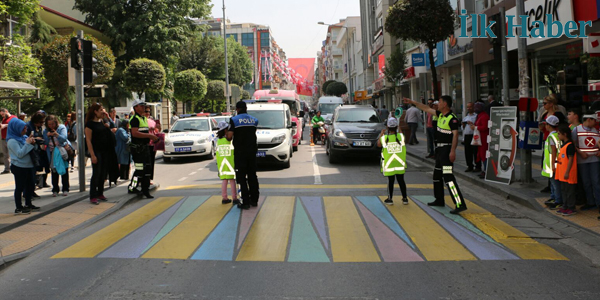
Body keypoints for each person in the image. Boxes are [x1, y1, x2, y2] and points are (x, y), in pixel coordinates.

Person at [403, 96, 467, 214]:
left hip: (446, 151)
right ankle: (439, 199)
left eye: (441, 102)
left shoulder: (452, 118)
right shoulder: (440, 115)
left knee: (448, 177)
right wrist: (413, 102)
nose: (438, 104)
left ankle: (459, 203)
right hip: (439, 151)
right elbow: (426, 108)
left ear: (446, 104)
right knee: (437, 176)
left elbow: (455, 135)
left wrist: (452, 151)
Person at [227, 101, 259, 210]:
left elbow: (229, 137)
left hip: (240, 152)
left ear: (237, 109)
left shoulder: (234, 120)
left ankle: (245, 202)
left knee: (241, 177)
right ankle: (254, 200)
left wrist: (227, 133)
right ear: (246, 108)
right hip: (252, 151)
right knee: (252, 176)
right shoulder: (254, 120)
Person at [7, 118, 39, 214]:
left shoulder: (23, 137)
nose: (25, 131)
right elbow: (20, 154)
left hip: (28, 166)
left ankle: (28, 204)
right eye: (23, 129)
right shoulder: (12, 141)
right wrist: (28, 144)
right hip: (19, 167)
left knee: (30, 186)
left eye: (26, 128)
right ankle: (19, 207)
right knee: (20, 187)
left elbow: (29, 149)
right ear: (16, 129)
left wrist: (33, 143)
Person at [128, 100, 158, 198]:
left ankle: (146, 190)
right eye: (141, 106)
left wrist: (150, 132)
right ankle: (132, 187)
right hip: (137, 149)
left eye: (144, 106)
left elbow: (143, 130)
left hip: (145, 148)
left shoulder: (143, 119)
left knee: (148, 169)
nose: (143, 107)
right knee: (140, 170)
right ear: (136, 107)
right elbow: (135, 133)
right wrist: (150, 136)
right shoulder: (134, 119)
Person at [377, 115, 408, 205]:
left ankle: (390, 199)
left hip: (389, 165)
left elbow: (378, 145)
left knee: (390, 182)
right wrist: (399, 128)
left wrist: (381, 134)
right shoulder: (400, 137)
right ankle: (405, 198)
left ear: (387, 127)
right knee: (401, 181)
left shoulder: (384, 138)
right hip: (399, 165)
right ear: (396, 127)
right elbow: (401, 135)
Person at [85, 103, 112, 204]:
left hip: (105, 151)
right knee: (96, 173)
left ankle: (100, 193)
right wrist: (92, 155)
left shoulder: (102, 122)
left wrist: (108, 119)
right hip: (96, 151)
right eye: (100, 110)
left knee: (103, 173)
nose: (103, 112)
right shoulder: (89, 124)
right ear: (95, 111)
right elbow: (88, 140)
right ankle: (93, 195)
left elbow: (112, 128)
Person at [572, 114, 600, 211]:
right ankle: (590, 202)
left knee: (596, 182)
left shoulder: (597, 130)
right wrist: (580, 152)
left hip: (595, 160)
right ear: (589, 119)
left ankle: (598, 203)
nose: (595, 123)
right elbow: (572, 144)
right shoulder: (576, 130)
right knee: (586, 182)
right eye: (594, 121)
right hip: (582, 161)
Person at [539, 95, 566, 194]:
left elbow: (562, 126)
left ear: (551, 104)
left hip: (555, 140)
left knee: (554, 161)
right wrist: (541, 128)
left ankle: (555, 189)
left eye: (545, 103)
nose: (543, 105)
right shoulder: (544, 113)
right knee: (546, 162)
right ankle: (551, 185)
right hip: (546, 138)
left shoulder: (558, 114)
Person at [44, 115, 71, 197]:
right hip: (52, 153)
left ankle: (65, 188)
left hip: (62, 152)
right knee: (54, 171)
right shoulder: (45, 130)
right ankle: (55, 189)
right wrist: (47, 136)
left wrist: (57, 135)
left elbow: (64, 138)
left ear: (56, 122)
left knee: (64, 170)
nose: (51, 126)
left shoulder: (61, 128)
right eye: (49, 124)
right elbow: (45, 142)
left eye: (53, 124)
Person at [555, 124, 578, 216]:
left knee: (570, 192)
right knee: (564, 191)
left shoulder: (570, 146)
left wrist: (567, 172)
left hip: (568, 173)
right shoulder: (564, 145)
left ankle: (571, 207)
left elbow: (571, 159)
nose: (558, 135)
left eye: (559, 134)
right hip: (563, 173)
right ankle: (565, 206)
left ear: (565, 134)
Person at [542, 116, 562, 210]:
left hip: (552, 163)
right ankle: (554, 197)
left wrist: (553, 164)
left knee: (555, 183)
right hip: (556, 162)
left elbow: (553, 151)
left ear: (548, 125)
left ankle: (557, 200)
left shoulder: (551, 137)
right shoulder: (557, 135)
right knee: (553, 182)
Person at [216, 121, 238, 205]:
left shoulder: (218, 140)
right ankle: (234, 198)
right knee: (232, 180)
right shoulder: (229, 139)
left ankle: (224, 198)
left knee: (224, 180)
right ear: (225, 130)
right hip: (230, 163)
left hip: (222, 164)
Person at [27, 112, 50, 190]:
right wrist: (36, 139)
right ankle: (31, 189)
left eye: (43, 122)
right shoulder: (29, 126)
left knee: (42, 167)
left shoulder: (39, 127)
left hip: (39, 150)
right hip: (32, 151)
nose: (41, 124)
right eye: (40, 122)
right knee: (32, 171)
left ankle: (41, 182)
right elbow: (27, 138)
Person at [471, 102, 489, 179]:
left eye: (477, 107)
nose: (475, 109)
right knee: (481, 155)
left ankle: (486, 171)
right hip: (479, 138)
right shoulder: (479, 116)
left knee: (484, 155)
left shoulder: (484, 116)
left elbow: (485, 127)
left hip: (484, 138)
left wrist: (475, 127)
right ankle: (484, 170)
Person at [462, 102, 479, 172]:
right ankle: (469, 165)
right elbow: (463, 126)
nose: (469, 108)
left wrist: (472, 124)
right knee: (467, 152)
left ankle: (478, 166)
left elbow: (477, 125)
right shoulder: (466, 116)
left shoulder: (476, 116)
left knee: (475, 151)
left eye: (470, 107)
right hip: (467, 135)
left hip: (474, 135)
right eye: (468, 107)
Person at [1, 108, 17, 174]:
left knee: (13, 154)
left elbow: (15, 125)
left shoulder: (14, 117)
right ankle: (7, 169)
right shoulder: (4, 119)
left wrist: (6, 125)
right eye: (1, 115)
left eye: (3, 114)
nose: (2, 116)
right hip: (3, 138)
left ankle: (14, 167)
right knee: (5, 155)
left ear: (6, 111)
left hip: (10, 139)